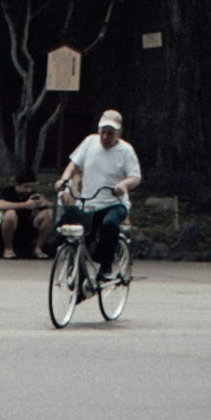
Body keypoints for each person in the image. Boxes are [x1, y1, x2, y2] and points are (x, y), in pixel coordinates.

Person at [55, 105, 141, 286]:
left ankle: (106, 267)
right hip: (89, 202)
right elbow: (74, 164)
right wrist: (64, 179)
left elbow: (135, 177)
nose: (105, 137)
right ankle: (75, 266)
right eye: (103, 131)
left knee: (109, 225)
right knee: (76, 230)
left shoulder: (125, 151)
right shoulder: (89, 142)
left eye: (110, 133)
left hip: (113, 202)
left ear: (118, 133)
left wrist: (123, 185)